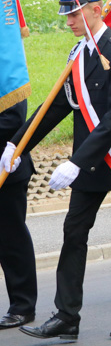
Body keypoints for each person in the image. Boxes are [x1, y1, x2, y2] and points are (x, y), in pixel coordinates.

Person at [8, 0, 111, 341]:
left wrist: (76, 161)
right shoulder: (79, 53)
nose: (69, 19)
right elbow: (56, 106)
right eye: (66, 13)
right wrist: (17, 144)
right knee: (73, 234)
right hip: (89, 163)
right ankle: (67, 315)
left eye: (74, 12)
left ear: (96, 9)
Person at [0, 101, 37, 329]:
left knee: (10, 238)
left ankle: (22, 306)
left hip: (5, 167)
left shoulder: (6, 71)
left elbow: (13, 120)